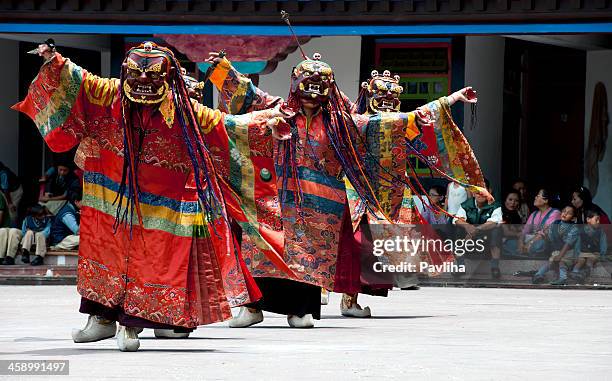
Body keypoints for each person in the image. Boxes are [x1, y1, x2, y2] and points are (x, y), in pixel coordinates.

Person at [13, 40, 287, 351]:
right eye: (136, 74)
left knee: (150, 262)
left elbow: (226, 125)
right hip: (109, 196)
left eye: (154, 75)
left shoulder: (185, 109)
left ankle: (131, 325)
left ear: (169, 77)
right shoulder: (109, 93)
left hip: (162, 204)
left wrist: (266, 124)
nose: (143, 80)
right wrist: (55, 60)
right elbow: (80, 79)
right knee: (103, 257)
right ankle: (100, 320)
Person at [205, 54, 490, 327]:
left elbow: (393, 122)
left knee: (310, 259)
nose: (312, 96)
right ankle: (253, 307)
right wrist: (222, 70)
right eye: (306, 86)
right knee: (265, 245)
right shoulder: (280, 111)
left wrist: (448, 100)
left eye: (319, 89)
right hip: (280, 198)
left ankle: (301, 310)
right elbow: (248, 94)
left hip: (322, 205)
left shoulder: (342, 123)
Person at [453, 179, 503, 278]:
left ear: (489, 191)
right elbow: (457, 219)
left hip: (486, 239)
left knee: (497, 231)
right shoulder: (466, 205)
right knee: (458, 229)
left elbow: (494, 222)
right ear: (473, 193)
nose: (480, 193)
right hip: (469, 241)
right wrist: (468, 226)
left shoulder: (495, 206)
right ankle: (460, 267)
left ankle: (495, 268)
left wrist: (476, 230)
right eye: (477, 191)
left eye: (483, 190)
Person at [532, 206, 579, 285]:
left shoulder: (574, 228)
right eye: (564, 211)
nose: (565, 213)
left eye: (569, 213)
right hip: (557, 251)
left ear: (573, 218)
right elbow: (550, 239)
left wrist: (560, 256)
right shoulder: (555, 223)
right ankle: (538, 275)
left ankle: (563, 278)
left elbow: (568, 243)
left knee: (562, 262)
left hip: (569, 252)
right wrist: (545, 235)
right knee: (550, 263)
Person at [515, 189, 561, 257]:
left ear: (546, 200)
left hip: (544, 242)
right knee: (509, 243)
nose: (535, 197)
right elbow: (524, 231)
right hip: (531, 241)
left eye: (537, 196)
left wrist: (528, 244)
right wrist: (520, 243)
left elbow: (544, 233)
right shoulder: (534, 214)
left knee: (540, 244)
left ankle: (526, 251)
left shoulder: (555, 213)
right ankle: (526, 251)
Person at [570, 209, 608, 283]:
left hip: (594, 253)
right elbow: (578, 244)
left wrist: (602, 255)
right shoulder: (581, 231)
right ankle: (575, 273)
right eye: (596, 220)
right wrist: (576, 255)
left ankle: (585, 274)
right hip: (582, 253)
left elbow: (603, 245)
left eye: (599, 220)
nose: (598, 222)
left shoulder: (601, 231)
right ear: (588, 219)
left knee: (589, 262)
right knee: (580, 261)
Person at [0, 161, 23, 226]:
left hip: (15, 192)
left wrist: (10, 203)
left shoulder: (3, 174)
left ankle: (13, 229)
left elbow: (6, 190)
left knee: (12, 213)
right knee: (3, 210)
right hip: (5, 190)